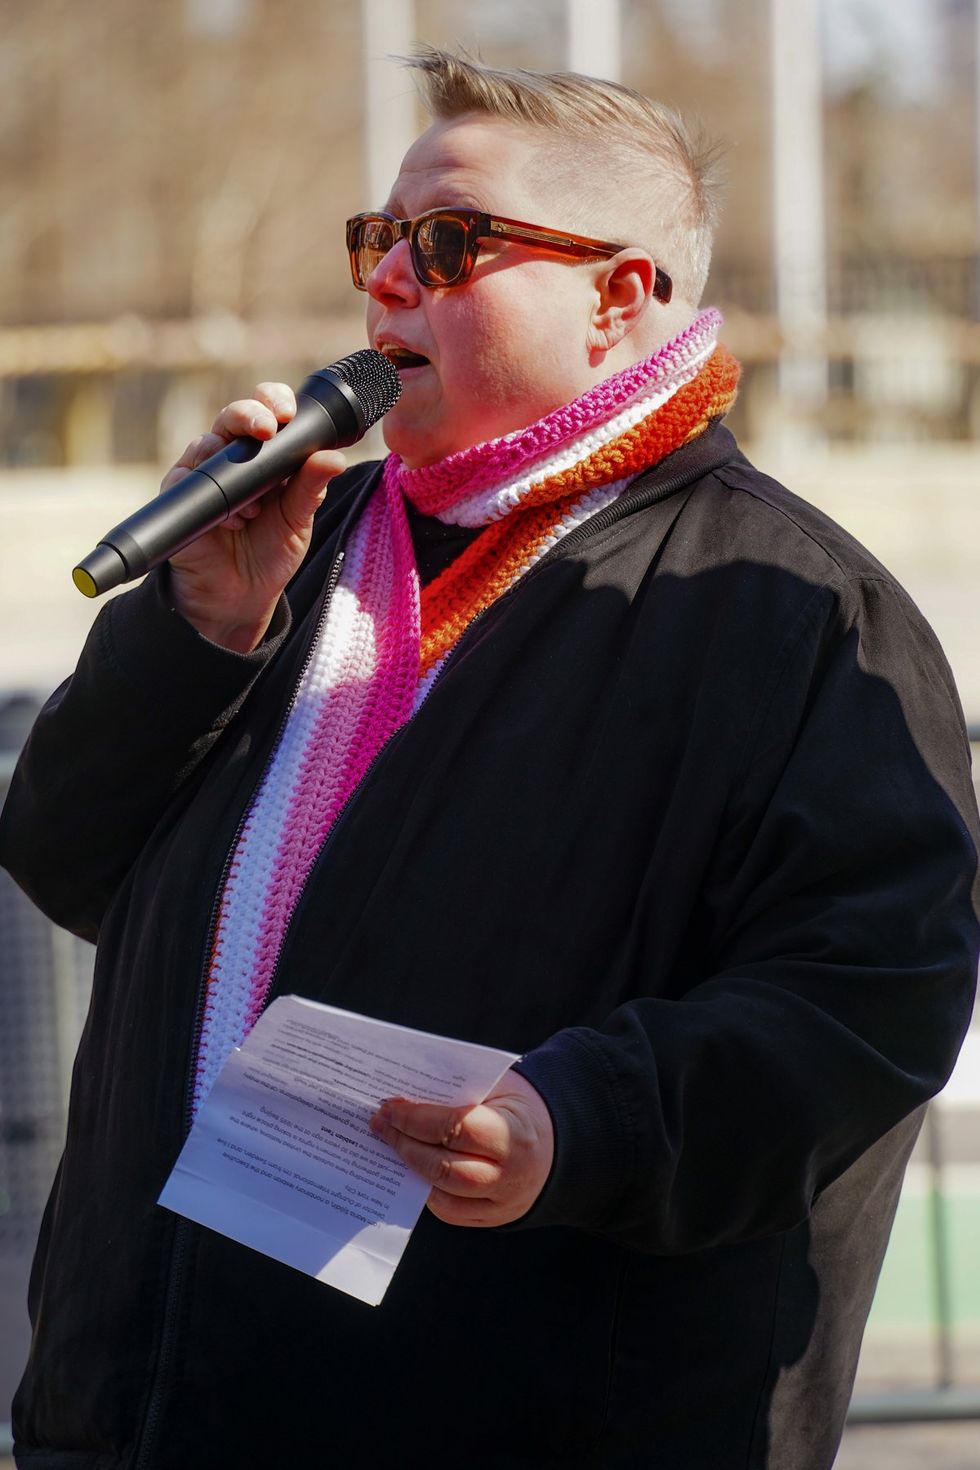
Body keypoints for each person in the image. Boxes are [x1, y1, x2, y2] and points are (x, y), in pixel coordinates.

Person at [1, 47, 978, 1470]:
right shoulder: (295, 536)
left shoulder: (794, 609)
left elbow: (869, 1002)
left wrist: (574, 1120)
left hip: (514, 1417)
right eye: (377, 238)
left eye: (448, 244)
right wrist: (196, 632)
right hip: (151, 1403)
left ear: (617, 297)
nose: (387, 280)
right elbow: (67, 859)